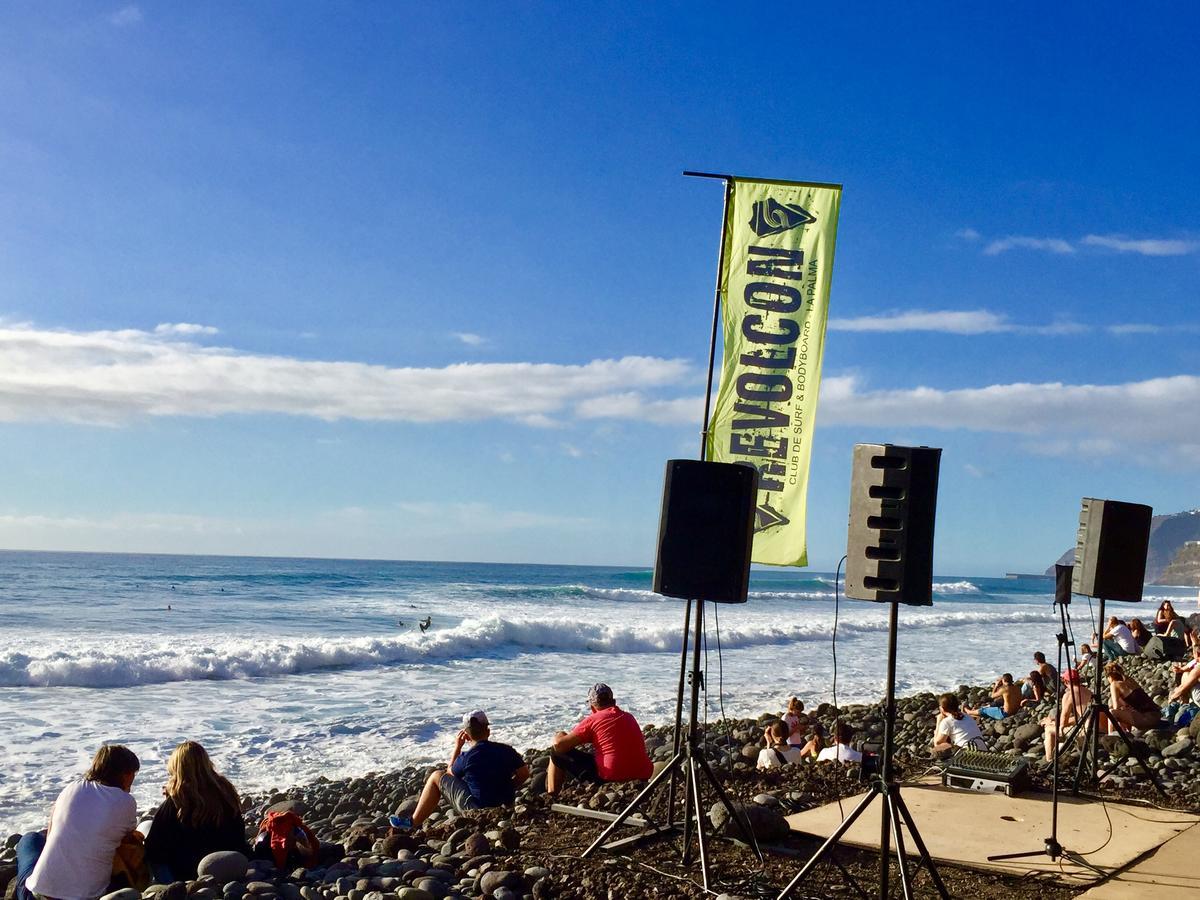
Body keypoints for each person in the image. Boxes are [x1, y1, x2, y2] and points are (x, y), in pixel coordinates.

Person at [16, 745, 140, 900]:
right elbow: (126, 839)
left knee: (30, 839)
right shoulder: (126, 802)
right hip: (86, 896)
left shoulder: (72, 787)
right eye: (133, 774)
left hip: (37, 895)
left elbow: (51, 830)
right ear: (125, 774)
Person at [144, 742, 250, 881]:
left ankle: (169, 887)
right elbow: (238, 834)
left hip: (185, 873)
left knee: (146, 827)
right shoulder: (226, 792)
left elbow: (154, 848)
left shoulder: (177, 800)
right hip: (229, 865)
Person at [405, 710, 528, 828]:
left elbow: (450, 772)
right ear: (488, 731)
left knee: (436, 775)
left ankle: (413, 822)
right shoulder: (506, 750)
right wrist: (507, 787)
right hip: (505, 805)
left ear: (467, 736)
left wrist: (457, 747)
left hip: (478, 810)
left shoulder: (467, 757)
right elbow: (524, 773)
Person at [547, 683, 653, 794]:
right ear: (614, 701)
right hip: (643, 774)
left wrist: (559, 734)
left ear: (592, 706)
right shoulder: (629, 716)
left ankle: (552, 795)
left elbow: (559, 746)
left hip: (611, 778)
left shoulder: (593, 719)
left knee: (556, 752)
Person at [1042, 669, 1094, 762]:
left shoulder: (1069, 695)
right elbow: (1083, 716)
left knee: (1049, 730)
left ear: (1065, 681)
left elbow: (1063, 723)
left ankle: (1049, 761)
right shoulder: (1088, 692)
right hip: (1096, 728)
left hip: (1086, 732)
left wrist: (1051, 723)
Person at [1103, 662, 1160, 732]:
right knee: (1124, 708)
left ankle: (1111, 736)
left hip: (1147, 719)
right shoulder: (1129, 679)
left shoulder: (1114, 684)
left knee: (1112, 713)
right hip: (1156, 715)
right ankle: (1127, 732)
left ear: (1109, 676)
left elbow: (1116, 707)